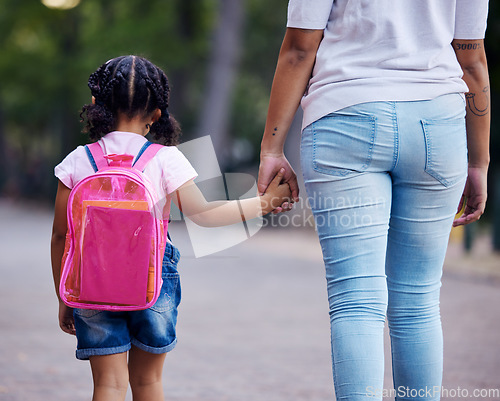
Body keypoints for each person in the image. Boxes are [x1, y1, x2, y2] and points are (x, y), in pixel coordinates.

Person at [258, 1, 490, 400]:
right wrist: (480, 161)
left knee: (355, 301)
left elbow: (300, 47)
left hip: (345, 115)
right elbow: (472, 57)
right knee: (417, 303)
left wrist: (271, 149)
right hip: (437, 124)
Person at [50, 55, 291, 401]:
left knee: (108, 384)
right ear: (156, 115)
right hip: (153, 281)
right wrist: (265, 203)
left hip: (90, 282)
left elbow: (61, 235)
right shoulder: (165, 159)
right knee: (148, 382)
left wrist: (64, 294)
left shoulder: (77, 161)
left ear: (96, 105)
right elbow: (204, 214)